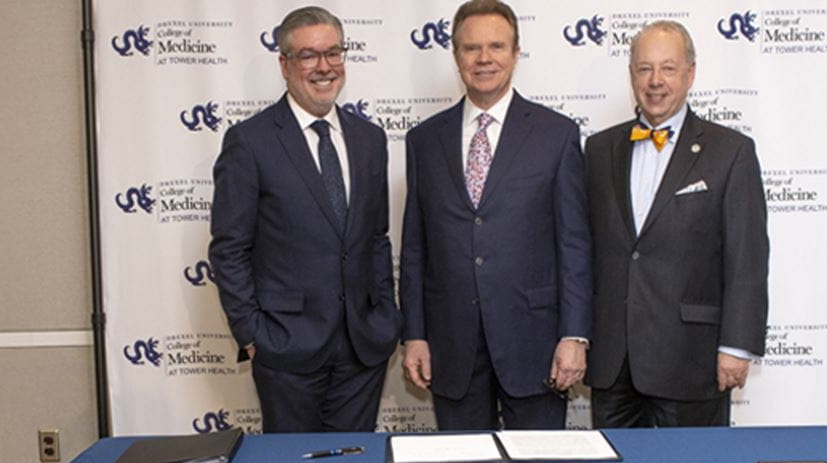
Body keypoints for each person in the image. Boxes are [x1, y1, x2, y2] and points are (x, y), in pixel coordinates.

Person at [399, 0, 592, 431]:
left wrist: (574, 336)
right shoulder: (424, 140)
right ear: (455, 56)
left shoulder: (556, 135)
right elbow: (415, 247)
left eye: (496, 46)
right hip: (451, 346)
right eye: (471, 48)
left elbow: (574, 244)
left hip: (536, 344)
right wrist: (414, 333)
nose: (484, 59)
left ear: (515, 53)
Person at [209, 6, 399, 432]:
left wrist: (385, 314)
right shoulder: (249, 142)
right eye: (309, 55)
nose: (324, 67)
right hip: (285, 349)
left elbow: (376, 238)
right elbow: (229, 249)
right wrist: (253, 335)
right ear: (284, 64)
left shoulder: (370, 139)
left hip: (363, 348)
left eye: (333, 53)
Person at [584, 20, 768, 427]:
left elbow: (747, 257)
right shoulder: (598, 150)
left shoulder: (730, 152)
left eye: (668, 68)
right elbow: (586, 251)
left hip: (692, 360)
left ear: (690, 74)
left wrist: (737, 345)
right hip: (613, 364)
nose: (655, 81)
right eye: (644, 68)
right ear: (631, 75)